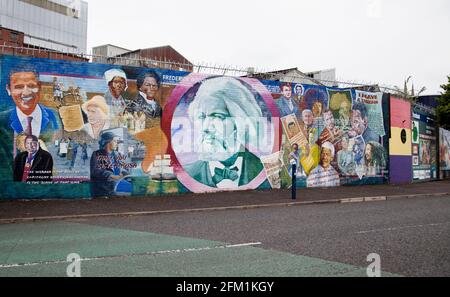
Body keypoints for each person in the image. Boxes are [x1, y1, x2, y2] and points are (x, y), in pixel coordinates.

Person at [183, 77, 264, 189]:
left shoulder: (261, 170)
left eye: (217, 116)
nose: (205, 127)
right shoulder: (188, 173)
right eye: (201, 117)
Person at [2, 70, 59, 138]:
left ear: (39, 87)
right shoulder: (2, 120)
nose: (26, 93)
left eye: (31, 86)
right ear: (9, 89)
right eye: (19, 87)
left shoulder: (55, 116)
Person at [90, 132, 129, 197]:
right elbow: (94, 171)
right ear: (108, 142)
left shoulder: (118, 154)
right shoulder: (96, 154)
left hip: (116, 189)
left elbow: (125, 168)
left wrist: (123, 173)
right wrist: (111, 176)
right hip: (102, 190)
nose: (117, 143)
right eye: (115, 141)